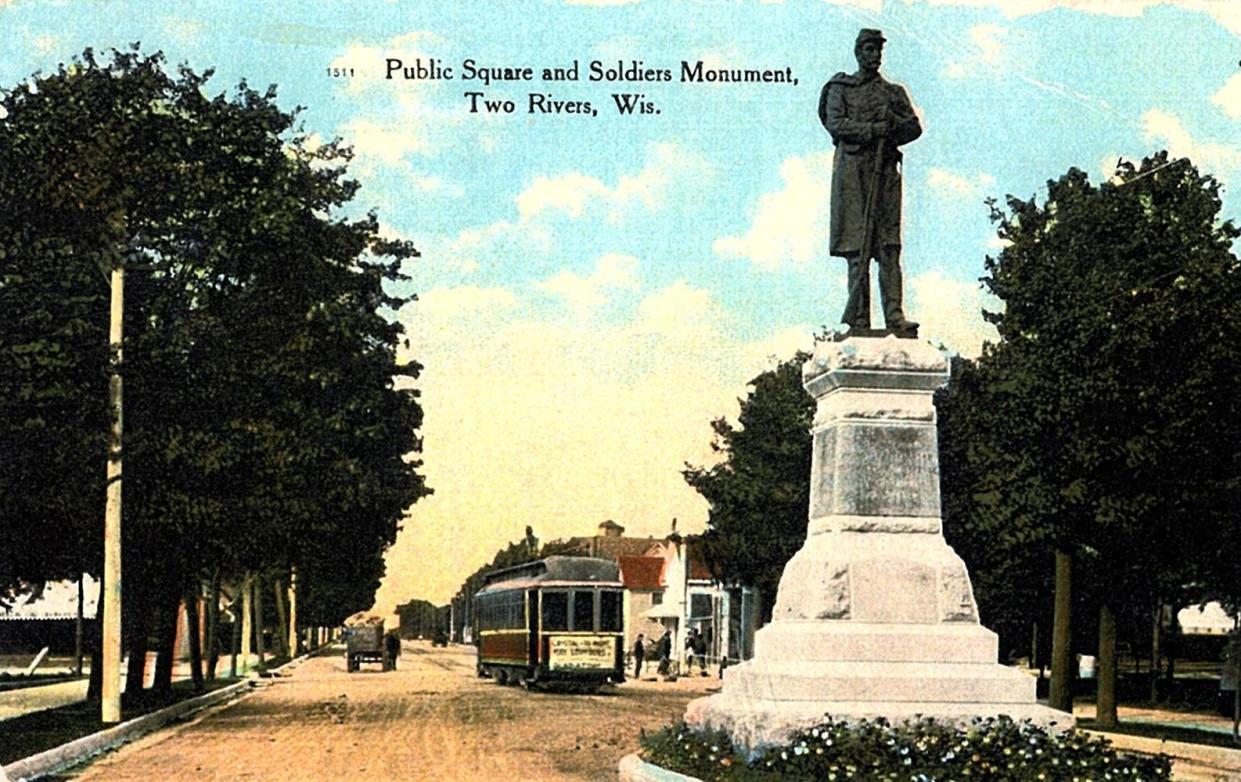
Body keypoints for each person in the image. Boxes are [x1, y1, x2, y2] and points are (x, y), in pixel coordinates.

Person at [820, 28, 921, 335]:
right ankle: (860, 320)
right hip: (853, 176)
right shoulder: (841, 88)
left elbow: (914, 128)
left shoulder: (893, 93)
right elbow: (835, 123)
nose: (874, 55)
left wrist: (893, 128)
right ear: (858, 52)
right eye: (868, 49)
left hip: (886, 174)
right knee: (857, 249)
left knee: (889, 247)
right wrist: (872, 130)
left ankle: (895, 317)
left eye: (878, 50)